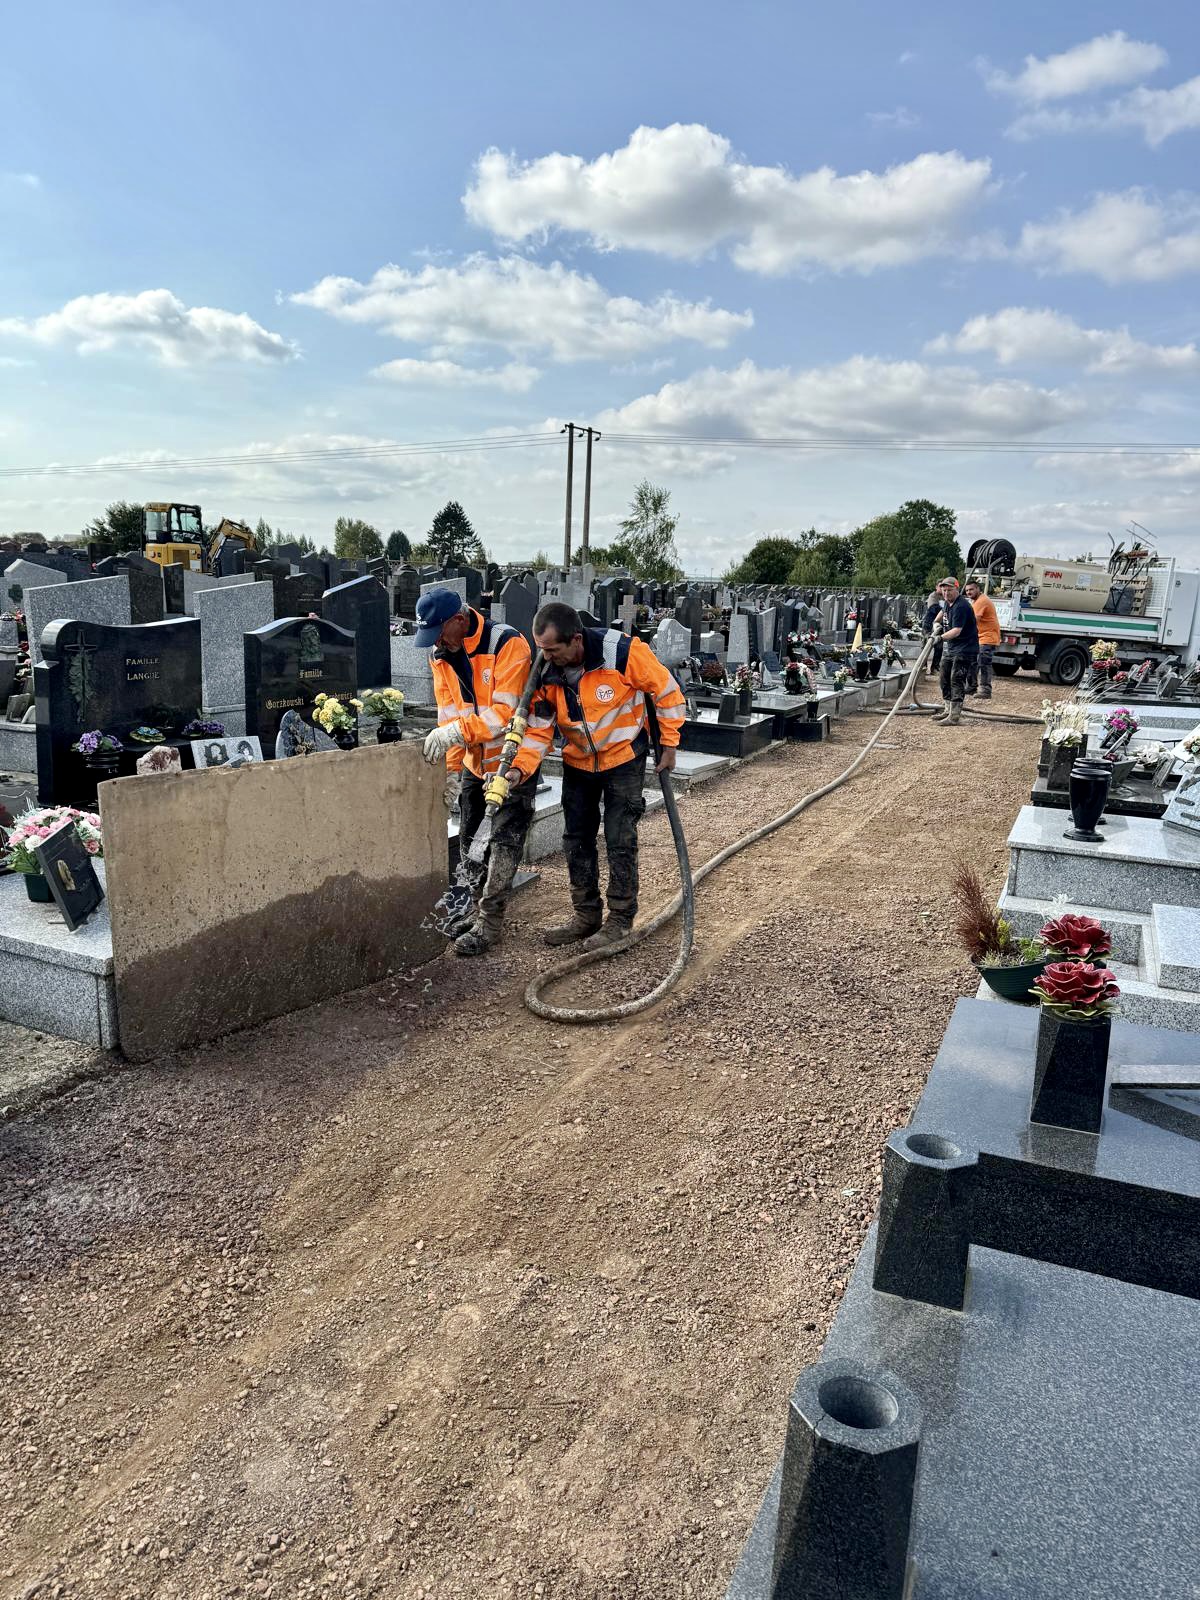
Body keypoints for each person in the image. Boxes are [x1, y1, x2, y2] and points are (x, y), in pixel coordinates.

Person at [531, 601, 686, 951]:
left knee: (620, 838)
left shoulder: (622, 652)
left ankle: (620, 918)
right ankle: (586, 915)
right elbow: (539, 725)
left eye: (552, 650)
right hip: (578, 761)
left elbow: (667, 692)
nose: (546, 657)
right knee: (576, 839)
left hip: (623, 758)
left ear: (576, 640)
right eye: (542, 649)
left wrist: (669, 743)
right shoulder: (543, 669)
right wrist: (519, 767)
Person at [417, 587, 552, 957]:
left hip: (513, 761)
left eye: (439, 632)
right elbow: (449, 717)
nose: (436, 641)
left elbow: (505, 715)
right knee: (470, 840)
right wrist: (449, 771)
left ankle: (490, 923)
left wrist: (457, 734)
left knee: (504, 841)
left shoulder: (507, 644)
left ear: (460, 620)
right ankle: (474, 910)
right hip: (475, 763)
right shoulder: (440, 655)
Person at [931, 576, 978, 726]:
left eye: (949, 590)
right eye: (944, 590)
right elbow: (939, 617)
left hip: (965, 648)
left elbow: (957, 631)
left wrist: (939, 638)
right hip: (952, 648)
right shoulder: (947, 603)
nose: (946, 593)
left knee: (956, 679)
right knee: (944, 677)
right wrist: (936, 625)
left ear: (956, 589)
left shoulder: (961, 606)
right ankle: (947, 709)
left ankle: (954, 716)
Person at [965, 579, 1000, 700]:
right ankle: (971, 687)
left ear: (978, 589)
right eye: (967, 590)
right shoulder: (976, 601)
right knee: (972, 662)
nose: (969, 592)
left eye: (971, 589)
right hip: (980, 637)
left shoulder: (981, 601)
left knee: (983, 663)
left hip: (987, 638)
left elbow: (973, 621)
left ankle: (985, 690)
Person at [921, 590, 944, 676]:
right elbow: (934, 609)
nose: (943, 589)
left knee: (939, 647)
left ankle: (935, 668)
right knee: (926, 646)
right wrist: (946, 608)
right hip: (928, 624)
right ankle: (923, 667)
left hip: (939, 626)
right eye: (941, 587)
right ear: (937, 587)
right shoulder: (933, 596)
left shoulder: (946, 596)